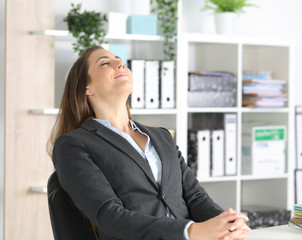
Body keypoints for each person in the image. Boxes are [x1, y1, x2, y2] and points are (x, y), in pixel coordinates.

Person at [48, 45, 251, 240]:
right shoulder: (73, 145)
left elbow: (195, 198)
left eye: (120, 61)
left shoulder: (162, 137)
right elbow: (110, 216)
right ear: (87, 87)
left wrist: (226, 225)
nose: (119, 65)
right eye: (104, 63)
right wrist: (190, 231)